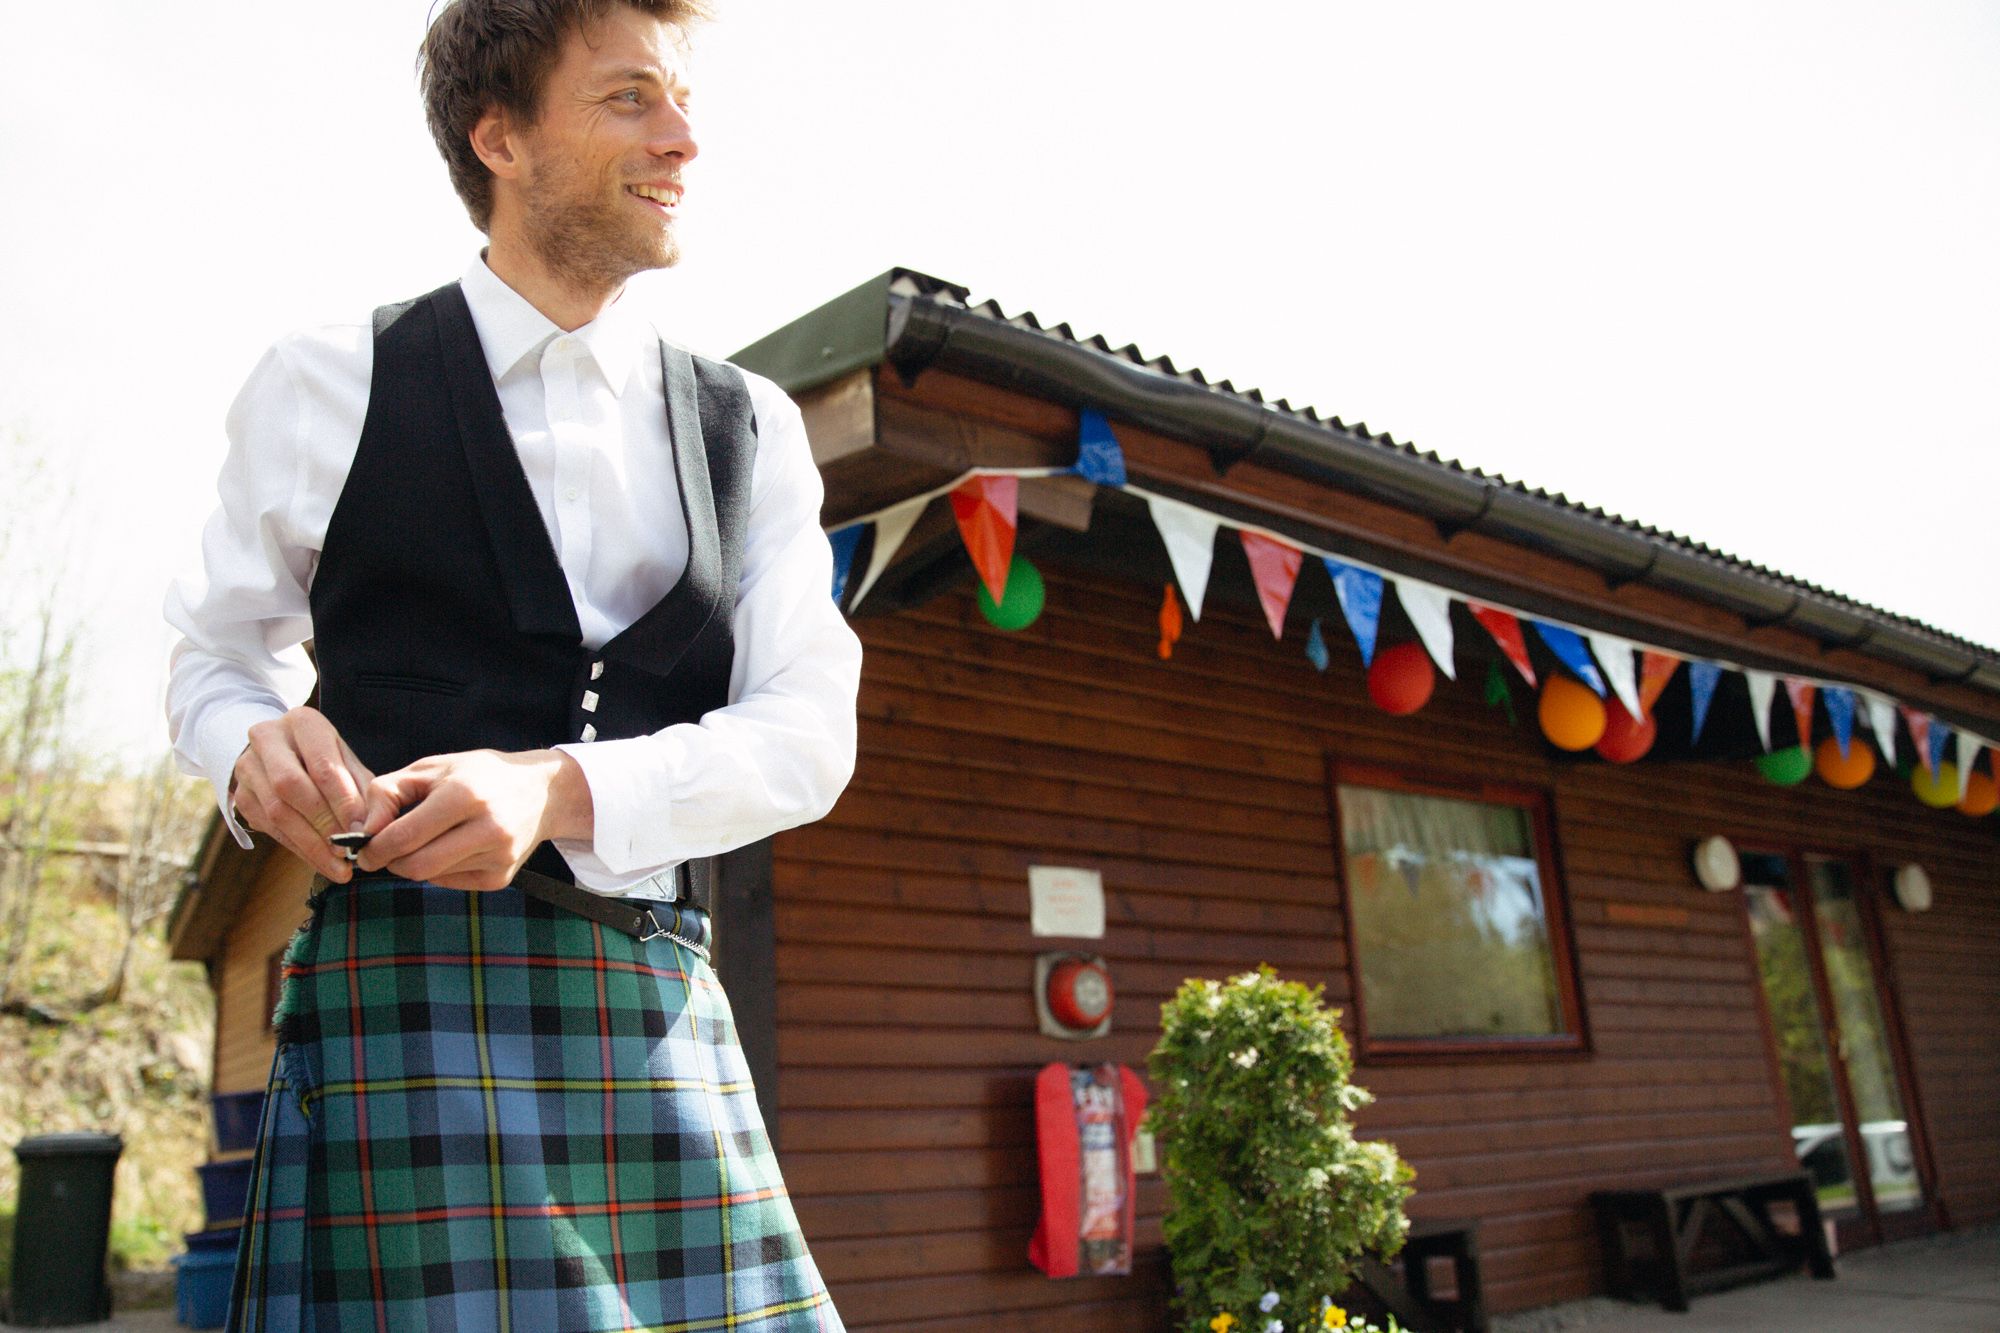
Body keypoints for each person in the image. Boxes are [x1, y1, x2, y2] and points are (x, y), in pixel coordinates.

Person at [163, 1, 859, 1327]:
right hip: (401, 993)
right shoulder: (322, 383)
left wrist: (558, 792)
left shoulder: (749, 427)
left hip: (651, 993)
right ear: (502, 137)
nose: (686, 139)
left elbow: (809, 733)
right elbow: (214, 660)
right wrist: (251, 746)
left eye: (684, 100)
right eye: (631, 99)